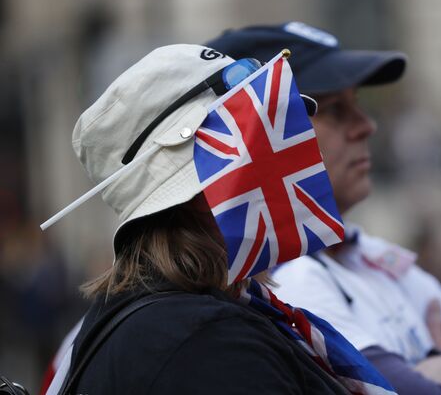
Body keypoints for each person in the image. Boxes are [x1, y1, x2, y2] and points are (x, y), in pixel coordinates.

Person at [206, 21, 441, 395]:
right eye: (334, 110)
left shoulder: (367, 253)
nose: (367, 126)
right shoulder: (284, 280)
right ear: (257, 135)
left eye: (357, 105)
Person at [41, 44, 401, 394]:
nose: (305, 149)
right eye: (267, 142)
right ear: (200, 195)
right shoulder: (201, 341)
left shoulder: (189, 321)